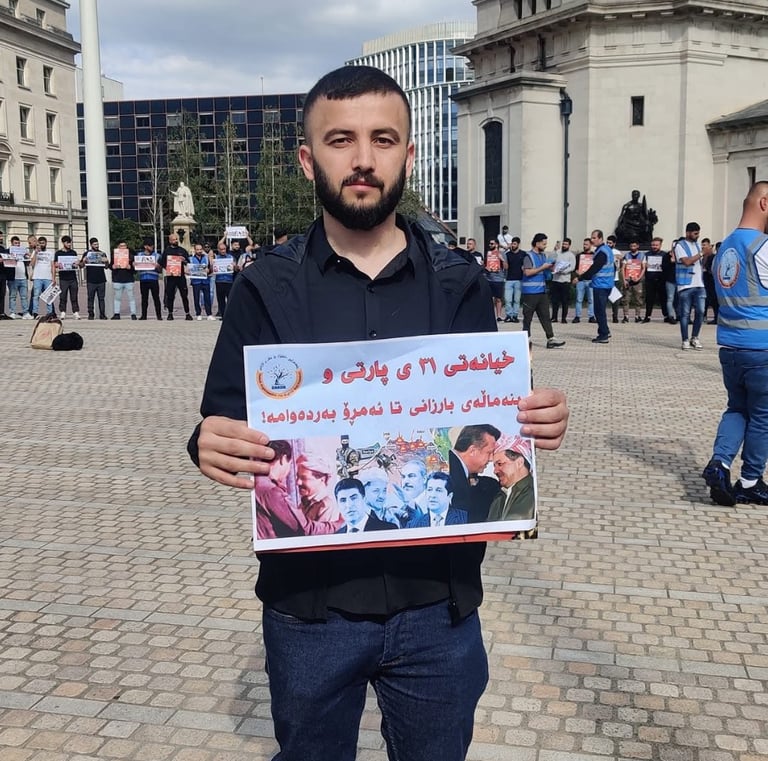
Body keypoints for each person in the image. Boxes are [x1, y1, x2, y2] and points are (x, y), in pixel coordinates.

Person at [187, 65, 568, 761]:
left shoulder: (460, 282)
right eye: (341, 140)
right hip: (311, 610)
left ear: (407, 156)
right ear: (309, 160)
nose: (363, 158)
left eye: (382, 139)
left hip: (437, 607)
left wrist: (537, 420)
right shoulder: (265, 286)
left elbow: (492, 408)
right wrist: (206, 442)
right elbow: (222, 420)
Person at [702, 181, 768, 507]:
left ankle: (720, 463)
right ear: (764, 203)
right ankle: (751, 481)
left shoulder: (724, 248)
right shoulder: (762, 247)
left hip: (730, 347)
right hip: (762, 347)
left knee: (737, 408)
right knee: (762, 416)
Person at [255, 440, 343, 539]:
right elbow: (304, 530)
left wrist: (340, 524)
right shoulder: (271, 491)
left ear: (322, 479)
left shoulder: (327, 506)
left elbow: (316, 538)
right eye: (297, 476)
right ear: (283, 459)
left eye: (304, 478)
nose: (297, 482)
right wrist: (338, 524)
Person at [449, 424, 503, 523]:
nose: (491, 459)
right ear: (472, 451)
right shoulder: (451, 474)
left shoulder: (457, 470)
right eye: (489, 453)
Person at [521, 233, 565, 348]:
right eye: (544, 244)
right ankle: (526, 339)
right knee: (528, 317)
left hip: (541, 291)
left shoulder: (543, 256)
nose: (545, 246)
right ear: (537, 243)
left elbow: (544, 272)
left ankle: (551, 339)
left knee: (545, 316)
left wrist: (552, 269)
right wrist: (543, 267)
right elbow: (527, 272)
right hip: (530, 292)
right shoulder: (528, 256)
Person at [575, 229, 614, 343]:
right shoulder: (607, 249)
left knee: (599, 311)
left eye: (594, 238)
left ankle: (603, 335)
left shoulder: (601, 252)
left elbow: (594, 268)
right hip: (607, 284)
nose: (592, 240)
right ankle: (605, 330)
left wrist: (580, 278)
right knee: (601, 310)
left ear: (600, 238)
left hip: (601, 285)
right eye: (591, 237)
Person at [674, 222, 705, 350]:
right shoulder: (679, 246)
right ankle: (685, 339)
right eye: (695, 233)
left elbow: (699, 263)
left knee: (701, 311)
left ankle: (695, 337)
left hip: (699, 284)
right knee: (685, 314)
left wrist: (705, 254)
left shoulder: (697, 246)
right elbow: (686, 262)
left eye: (698, 233)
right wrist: (701, 253)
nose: (697, 236)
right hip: (685, 284)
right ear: (688, 233)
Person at [487, 449, 535, 522]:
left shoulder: (532, 493)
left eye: (500, 464)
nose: (495, 471)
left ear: (519, 463)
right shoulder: (499, 498)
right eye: (494, 466)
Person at [160, 232, 193, 321]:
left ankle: (187, 313)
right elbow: (162, 263)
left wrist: (184, 260)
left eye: (176, 239)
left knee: (184, 295)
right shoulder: (166, 251)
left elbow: (188, 262)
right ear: (170, 241)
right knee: (170, 295)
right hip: (171, 277)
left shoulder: (182, 250)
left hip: (181, 276)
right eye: (174, 239)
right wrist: (169, 268)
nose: (176, 241)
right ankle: (170, 314)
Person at [52, 235, 81, 320]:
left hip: (73, 277)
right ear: (63, 243)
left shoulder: (73, 252)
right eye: (67, 243)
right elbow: (55, 264)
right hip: (63, 278)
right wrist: (57, 264)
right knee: (63, 296)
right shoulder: (58, 253)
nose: (69, 244)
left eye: (70, 243)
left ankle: (75, 312)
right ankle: (63, 312)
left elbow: (76, 263)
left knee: (74, 296)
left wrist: (77, 263)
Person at [80, 237, 109, 319]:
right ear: (91, 245)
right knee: (90, 298)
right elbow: (81, 266)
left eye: (97, 244)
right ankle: (91, 314)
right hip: (91, 280)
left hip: (101, 279)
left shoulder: (102, 253)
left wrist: (107, 261)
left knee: (101, 298)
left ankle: (102, 314)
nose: (96, 246)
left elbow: (106, 267)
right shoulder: (87, 253)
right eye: (95, 244)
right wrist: (83, 261)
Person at [549, 237, 575, 324]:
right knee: (554, 300)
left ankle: (564, 318)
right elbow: (550, 259)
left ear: (569, 245)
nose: (564, 245)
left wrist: (563, 271)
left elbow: (572, 267)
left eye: (566, 244)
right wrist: (554, 250)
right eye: (563, 244)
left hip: (565, 281)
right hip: (556, 280)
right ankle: (554, 317)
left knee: (565, 301)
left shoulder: (571, 255)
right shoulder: (557, 253)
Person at [109, 240, 137, 320]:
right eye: (121, 246)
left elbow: (135, 270)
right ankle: (116, 313)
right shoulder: (114, 255)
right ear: (118, 247)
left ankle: (133, 314)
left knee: (131, 298)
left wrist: (131, 267)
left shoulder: (131, 256)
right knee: (117, 298)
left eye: (125, 246)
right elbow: (110, 266)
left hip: (129, 279)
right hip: (118, 279)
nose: (123, 247)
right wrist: (113, 267)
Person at [642, 237, 667, 322]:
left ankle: (666, 316)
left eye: (656, 245)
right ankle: (647, 316)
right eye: (653, 245)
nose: (654, 247)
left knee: (663, 299)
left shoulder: (664, 255)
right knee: (649, 299)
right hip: (650, 279)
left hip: (661, 280)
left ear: (660, 245)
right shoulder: (646, 255)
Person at [137, 239, 163, 320]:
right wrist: (135, 264)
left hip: (153, 279)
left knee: (156, 298)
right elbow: (136, 267)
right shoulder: (139, 255)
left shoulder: (157, 256)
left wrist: (158, 266)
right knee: (144, 298)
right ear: (145, 246)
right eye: (150, 246)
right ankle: (143, 315)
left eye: (152, 246)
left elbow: (160, 270)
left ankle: (159, 316)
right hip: (143, 279)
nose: (152, 247)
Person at [621, 241, 646, 323]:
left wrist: (639, 278)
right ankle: (626, 316)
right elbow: (623, 268)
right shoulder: (627, 255)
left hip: (638, 281)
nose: (632, 247)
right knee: (626, 299)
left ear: (637, 246)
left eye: (634, 246)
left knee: (638, 299)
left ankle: (637, 316)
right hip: (628, 280)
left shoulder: (642, 255)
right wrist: (624, 280)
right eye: (631, 246)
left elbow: (643, 268)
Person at [6, 235, 31, 319]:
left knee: (24, 297)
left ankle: (25, 313)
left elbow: (28, 263)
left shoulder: (23, 251)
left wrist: (27, 256)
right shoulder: (8, 251)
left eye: (18, 243)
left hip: (23, 277)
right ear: (12, 243)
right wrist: (11, 257)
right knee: (12, 296)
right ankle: (12, 312)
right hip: (13, 278)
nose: (17, 245)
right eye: (15, 243)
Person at [30, 236, 55, 317]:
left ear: (46, 243)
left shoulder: (50, 253)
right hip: (37, 277)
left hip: (48, 277)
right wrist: (36, 253)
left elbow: (52, 266)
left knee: (49, 296)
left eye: (43, 243)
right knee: (36, 295)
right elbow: (32, 264)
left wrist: (53, 278)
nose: (41, 245)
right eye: (40, 243)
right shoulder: (35, 252)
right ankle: (35, 312)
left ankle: (50, 312)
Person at [188, 242, 214, 320]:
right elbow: (188, 269)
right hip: (196, 281)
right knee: (196, 298)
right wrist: (188, 272)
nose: (199, 251)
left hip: (205, 280)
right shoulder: (191, 259)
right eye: (197, 249)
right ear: (195, 250)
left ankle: (209, 314)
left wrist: (209, 270)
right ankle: (198, 314)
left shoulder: (206, 258)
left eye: (200, 249)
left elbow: (211, 269)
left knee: (207, 298)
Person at [572, 237, 595, 324]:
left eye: (586, 244)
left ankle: (591, 316)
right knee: (579, 299)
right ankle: (577, 316)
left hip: (591, 280)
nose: (584, 246)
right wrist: (576, 273)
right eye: (584, 244)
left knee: (591, 299)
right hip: (580, 280)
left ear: (591, 245)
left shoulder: (594, 255)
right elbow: (575, 268)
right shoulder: (579, 256)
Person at [483, 239, 506, 321]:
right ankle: (489, 315)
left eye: (492, 243)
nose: (490, 245)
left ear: (496, 244)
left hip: (498, 279)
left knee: (498, 298)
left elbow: (506, 267)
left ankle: (499, 316)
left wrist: (502, 259)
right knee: (489, 298)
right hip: (489, 278)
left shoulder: (502, 254)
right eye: (489, 243)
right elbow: (484, 264)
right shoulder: (488, 254)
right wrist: (485, 267)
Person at [503, 236, 523, 323]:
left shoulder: (523, 254)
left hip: (519, 279)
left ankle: (515, 315)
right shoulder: (507, 254)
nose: (513, 245)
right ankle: (508, 315)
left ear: (518, 244)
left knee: (516, 300)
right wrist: (505, 250)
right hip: (509, 279)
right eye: (512, 244)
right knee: (508, 299)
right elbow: (505, 267)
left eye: (515, 244)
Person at [212, 241, 235, 317]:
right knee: (221, 300)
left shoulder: (230, 257)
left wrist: (234, 266)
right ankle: (223, 315)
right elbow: (212, 270)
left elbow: (236, 269)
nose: (223, 251)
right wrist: (212, 265)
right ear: (218, 250)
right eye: (221, 249)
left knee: (230, 299)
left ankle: (230, 315)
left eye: (224, 249)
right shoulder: (216, 258)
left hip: (229, 281)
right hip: (219, 281)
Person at [701, 237, 719, 324]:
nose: (703, 247)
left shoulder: (712, 257)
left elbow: (712, 268)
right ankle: (703, 316)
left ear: (709, 246)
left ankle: (716, 317)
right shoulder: (703, 257)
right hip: (705, 280)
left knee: (713, 299)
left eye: (705, 245)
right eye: (702, 245)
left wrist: (707, 270)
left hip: (711, 280)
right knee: (705, 299)